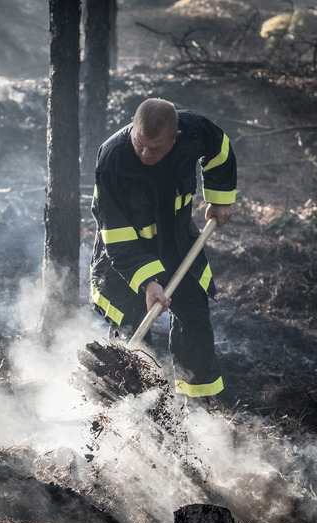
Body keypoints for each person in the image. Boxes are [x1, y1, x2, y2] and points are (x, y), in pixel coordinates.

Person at [89, 98, 237, 399]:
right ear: (133, 124)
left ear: (176, 137)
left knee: (194, 320)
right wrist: (148, 282)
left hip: (177, 243)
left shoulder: (194, 131)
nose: (145, 153)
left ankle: (198, 406)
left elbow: (219, 148)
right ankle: (140, 406)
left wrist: (220, 196)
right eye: (140, 143)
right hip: (125, 258)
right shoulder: (112, 159)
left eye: (156, 148)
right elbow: (116, 236)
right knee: (132, 329)